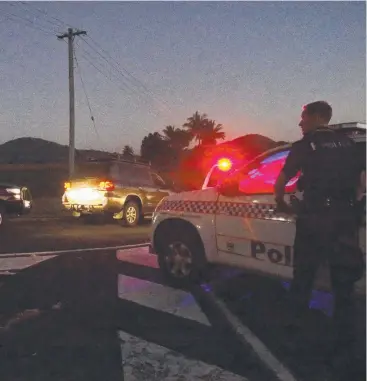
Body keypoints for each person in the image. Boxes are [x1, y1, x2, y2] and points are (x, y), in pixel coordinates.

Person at [274, 101, 365, 365]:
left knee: (302, 279)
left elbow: (280, 184)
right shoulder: (350, 145)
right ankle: (346, 345)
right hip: (344, 220)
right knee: (343, 286)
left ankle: (293, 340)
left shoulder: (304, 146)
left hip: (313, 220)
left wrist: (283, 205)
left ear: (315, 117)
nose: (300, 123)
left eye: (303, 118)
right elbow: (362, 185)